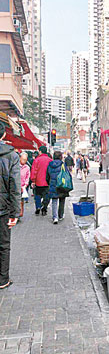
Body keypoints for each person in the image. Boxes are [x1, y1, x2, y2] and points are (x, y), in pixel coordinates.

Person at [0, 122, 21, 289]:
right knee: (4, 245)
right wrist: (15, 212)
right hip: (3, 208)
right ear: (4, 135)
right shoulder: (11, 155)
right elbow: (15, 186)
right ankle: (3, 279)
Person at [46, 151, 70, 225]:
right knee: (62, 200)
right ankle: (60, 215)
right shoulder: (63, 164)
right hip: (62, 185)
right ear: (61, 157)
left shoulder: (50, 165)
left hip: (53, 184)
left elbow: (47, 176)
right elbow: (67, 174)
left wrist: (49, 183)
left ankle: (55, 217)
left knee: (54, 201)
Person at [30, 146, 52, 216]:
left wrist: (33, 180)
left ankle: (38, 207)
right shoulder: (50, 160)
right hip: (47, 182)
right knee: (46, 195)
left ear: (40, 151)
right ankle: (44, 208)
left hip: (38, 181)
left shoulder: (37, 160)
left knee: (37, 195)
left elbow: (34, 171)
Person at [19, 152, 30, 221]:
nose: (24, 161)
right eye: (23, 159)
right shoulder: (15, 166)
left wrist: (25, 185)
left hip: (22, 187)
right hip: (15, 186)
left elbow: (27, 177)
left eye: (25, 160)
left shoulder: (27, 167)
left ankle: (20, 213)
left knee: (21, 201)